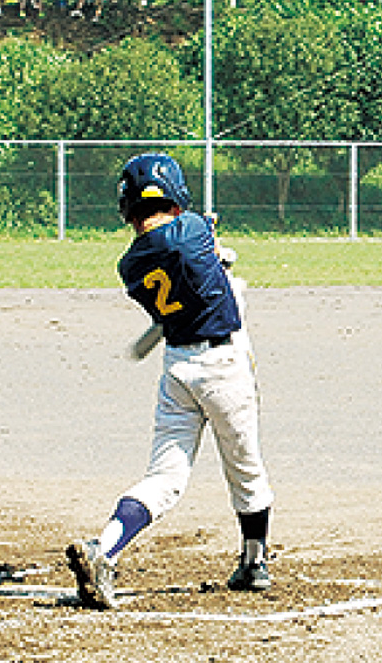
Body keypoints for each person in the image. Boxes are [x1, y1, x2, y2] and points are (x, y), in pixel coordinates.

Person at [65, 152, 274, 609]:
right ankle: (254, 562)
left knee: (164, 477)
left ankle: (105, 549)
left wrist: (217, 266)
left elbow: (187, 278)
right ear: (174, 195)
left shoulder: (129, 267)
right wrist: (219, 257)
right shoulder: (195, 228)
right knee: (245, 467)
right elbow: (198, 246)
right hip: (224, 367)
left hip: (177, 367)